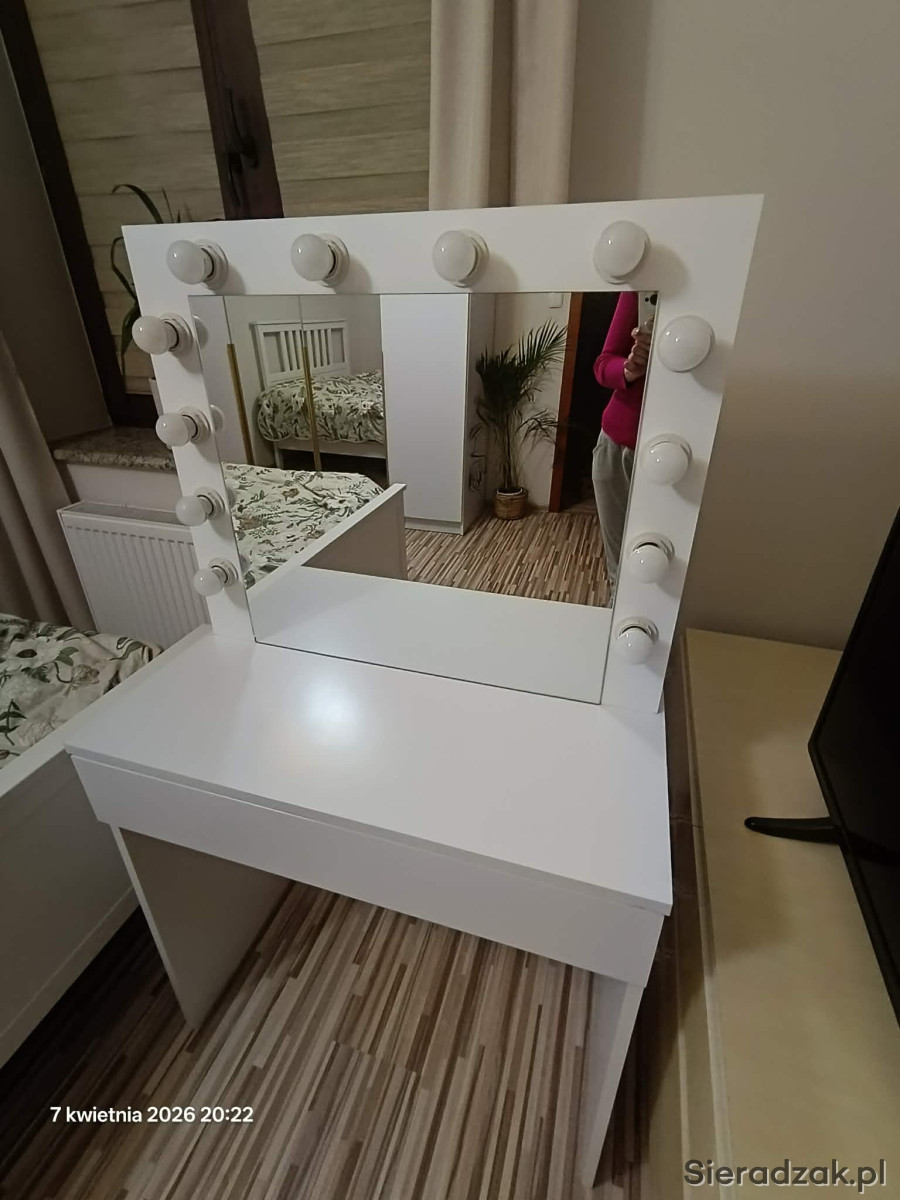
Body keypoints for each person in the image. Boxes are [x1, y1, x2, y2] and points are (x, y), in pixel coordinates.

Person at [592, 292, 651, 587]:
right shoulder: (642, 284)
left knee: (662, 568)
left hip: (690, 452)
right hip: (618, 446)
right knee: (620, 573)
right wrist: (631, 368)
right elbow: (603, 365)